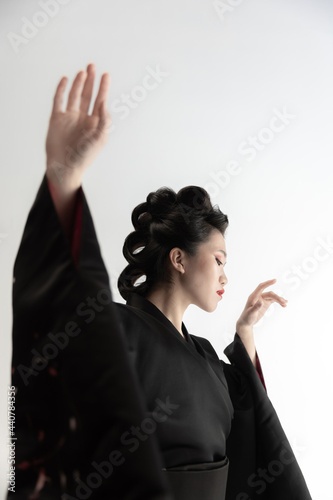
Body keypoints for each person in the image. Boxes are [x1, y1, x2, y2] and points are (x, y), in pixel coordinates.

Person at [9, 63, 312, 500]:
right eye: (219, 260)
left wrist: (244, 332)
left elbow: (251, 424)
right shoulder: (120, 330)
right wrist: (64, 177)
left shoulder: (206, 357)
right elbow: (58, 322)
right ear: (179, 259)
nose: (226, 275)